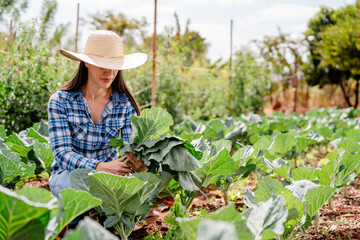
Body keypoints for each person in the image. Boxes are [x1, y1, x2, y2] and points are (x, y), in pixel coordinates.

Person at [48, 30, 148, 197]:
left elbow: (129, 151)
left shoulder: (125, 104)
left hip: (111, 177)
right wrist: (99, 167)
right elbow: (62, 153)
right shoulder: (61, 100)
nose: (109, 72)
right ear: (86, 63)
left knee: (141, 196)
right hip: (69, 177)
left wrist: (139, 164)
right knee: (79, 192)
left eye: (114, 65)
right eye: (102, 63)